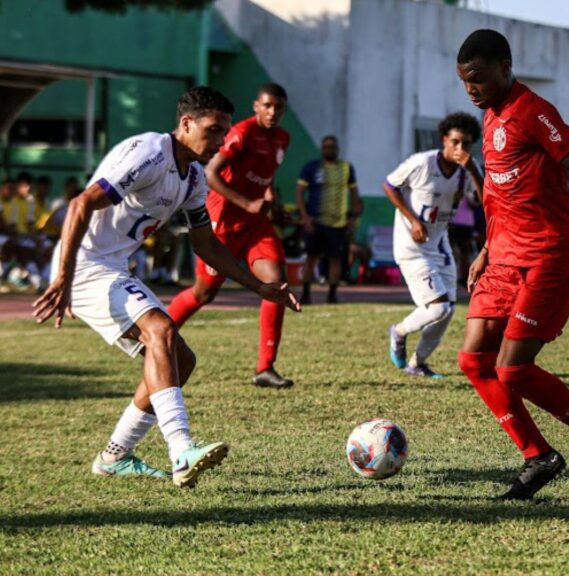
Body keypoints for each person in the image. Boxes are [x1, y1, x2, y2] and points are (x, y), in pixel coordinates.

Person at [32, 86, 300, 488]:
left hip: (113, 268)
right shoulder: (149, 153)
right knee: (162, 330)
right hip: (87, 267)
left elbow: (206, 244)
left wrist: (258, 287)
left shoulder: (192, 175)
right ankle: (181, 452)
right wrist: (64, 277)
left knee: (181, 359)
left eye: (225, 133)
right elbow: (80, 204)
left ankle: (114, 456)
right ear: (186, 124)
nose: (221, 141)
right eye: (213, 130)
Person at [455, 29, 569, 500]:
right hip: (503, 257)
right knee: (472, 360)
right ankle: (538, 456)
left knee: (512, 369)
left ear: (505, 68)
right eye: (465, 81)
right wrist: (487, 250)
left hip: (547, 256)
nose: (472, 89)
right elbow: (498, 194)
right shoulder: (490, 119)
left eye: (479, 79)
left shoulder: (534, 112)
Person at [166, 83, 296, 389]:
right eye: (267, 106)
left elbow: (267, 176)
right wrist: (248, 203)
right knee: (204, 293)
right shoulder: (241, 132)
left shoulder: (282, 138)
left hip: (255, 224)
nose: (273, 112)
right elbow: (211, 173)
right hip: (222, 220)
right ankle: (155, 339)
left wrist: (270, 204)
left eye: (278, 107)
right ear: (256, 106)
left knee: (276, 283)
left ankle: (265, 367)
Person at [384, 112, 483, 378]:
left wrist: (472, 168)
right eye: (455, 142)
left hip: (440, 246)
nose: (460, 149)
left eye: (466, 144)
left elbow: (487, 200)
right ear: (444, 140)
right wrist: (413, 220)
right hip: (412, 247)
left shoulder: (468, 170)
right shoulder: (422, 163)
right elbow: (389, 185)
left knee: (448, 310)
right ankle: (399, 331)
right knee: (438, 307)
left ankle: (417, 363)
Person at [295, 135, 362, 304]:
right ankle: (305, 294)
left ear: (338, 149)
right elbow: (300, 192)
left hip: (338, 224)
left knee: (335, 259)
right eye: (326, 147)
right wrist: (304, 217)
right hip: (315, 222)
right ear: (321, 149)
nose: (329, 150)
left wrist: (353, 216)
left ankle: (332, 294)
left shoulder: (347, 168)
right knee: (311, 258)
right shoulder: (312, 167)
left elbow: (354, 193)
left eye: (332, 147)